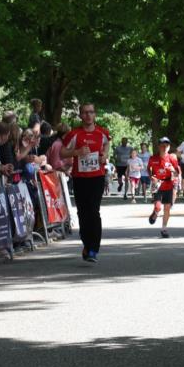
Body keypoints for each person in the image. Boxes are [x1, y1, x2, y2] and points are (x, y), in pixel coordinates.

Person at [60, 102, 109, 262]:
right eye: (85, 112)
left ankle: (93, 248)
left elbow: (106, 145)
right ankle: (87, 245)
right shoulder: (74, 134)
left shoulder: (102, 132)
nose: (88, 115)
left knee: (94, 212)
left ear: (95, 115)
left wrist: (104, 156)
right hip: (80, 178)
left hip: (97, 177)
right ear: (80, 115)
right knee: (83, 213)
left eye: (91, 112)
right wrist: (77, 152)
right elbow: (62, 152)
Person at [147, 137, 180, 238]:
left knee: (167, 208)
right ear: (159, 147)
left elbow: (177, 172)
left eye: (167, 146)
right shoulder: (153, 158)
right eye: (162, 146)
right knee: (158, 206)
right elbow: (149, 169)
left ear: (169, 147)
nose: (165, 147)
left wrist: (173, 170)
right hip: (158, 185)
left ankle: (164, 229)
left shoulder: (172, 158)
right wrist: (151, 176)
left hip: (168, 184)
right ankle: (156, 212)